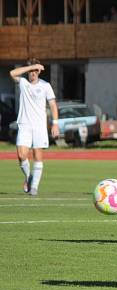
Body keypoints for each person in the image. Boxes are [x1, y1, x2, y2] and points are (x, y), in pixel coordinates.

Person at [9, 58, 59, 196]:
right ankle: (28, 177)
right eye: (31, 70)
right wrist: (31, 67)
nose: (33, 73)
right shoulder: (23, 82)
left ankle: (34, 187)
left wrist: (55, 123)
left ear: (39, 72)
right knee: (21, 155)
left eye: (35, 71)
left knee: (37, 155)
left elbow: (53, 105)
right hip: (24, 124)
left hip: (39, 126)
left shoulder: (45, 86)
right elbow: (12, 73)